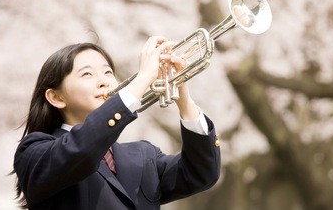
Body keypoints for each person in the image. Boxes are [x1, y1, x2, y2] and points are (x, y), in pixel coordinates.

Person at [13, 36, 221, 210]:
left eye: (108, 72)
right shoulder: (34, 152)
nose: (104, 81)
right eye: (87, 74)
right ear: (56, 97)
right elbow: (82, 150)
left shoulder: (143, 155)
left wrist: (183, 96)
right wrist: (144, 78)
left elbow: (201, 174)